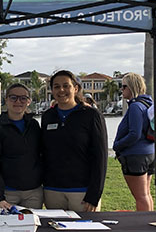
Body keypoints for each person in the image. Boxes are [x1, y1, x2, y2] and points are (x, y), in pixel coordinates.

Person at [41, 70, 107, 212]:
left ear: (75, 88)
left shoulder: (91, 115)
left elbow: (100, 156)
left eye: (66, 85)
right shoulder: (48, 116)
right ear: (52, 90)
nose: (61, 90)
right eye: (57, 87)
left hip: (82, 192)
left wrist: (94, 194)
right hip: (53, 191)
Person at [0, 83, 43, 210]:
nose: (18, 101)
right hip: (6, 193)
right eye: (13, 97)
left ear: (29, 101)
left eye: (23, 98)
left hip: (33, 193)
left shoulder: (34, 126)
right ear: (6, 100)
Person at [112, 73, 155, 211]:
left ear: (132, 87)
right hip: (149, 152)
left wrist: (117, 146)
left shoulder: (136, 107)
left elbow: (134, 134)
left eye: (124, 86)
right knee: (146, 194)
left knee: (141, 196)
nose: (121, 89)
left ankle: (144, 226)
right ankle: (148, 222)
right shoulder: (148, 104)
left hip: (136, 156)